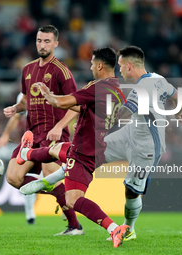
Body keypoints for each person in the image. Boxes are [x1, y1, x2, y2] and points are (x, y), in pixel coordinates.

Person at [19, 46, 182, 244]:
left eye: (121, 66)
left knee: (131, 191)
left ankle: (128, 229)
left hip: (147, 147)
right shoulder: (157, 79)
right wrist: (180, 111)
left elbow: (123, 113)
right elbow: (175, 94)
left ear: (129, 66)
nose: (119, 70)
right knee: (85, 151)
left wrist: (52, 98)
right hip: (129, 134)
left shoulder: (138, 89)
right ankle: (48, 175)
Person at [19, 47, 131, 248]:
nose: (90, 67)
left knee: (72, 200)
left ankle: (114, 228)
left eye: (91, 64)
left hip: (83, 152)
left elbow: (62, 103)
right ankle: (27, 153)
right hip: (97, 150)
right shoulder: (118, 90)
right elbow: (83, 107)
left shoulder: (98, 87)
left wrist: (47, 94)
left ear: (99, 65)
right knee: (57, 149)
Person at [2, 25, 81, 235]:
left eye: (47, 41)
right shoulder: (27, 69)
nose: (42, 45)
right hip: (31, 134)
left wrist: (59, 126)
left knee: (48, 173)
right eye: (39, 40)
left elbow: (77, 106)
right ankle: (62, 197)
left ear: (55, 43)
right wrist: (16, 108)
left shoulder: (61, 71)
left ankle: (74, 226)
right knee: (13, 177)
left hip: (53, 134)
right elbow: (27, 100)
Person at [0, 92, 37, 225]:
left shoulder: (53, 88)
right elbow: (16, 117)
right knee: (29, 175)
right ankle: (29, 212)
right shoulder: (23, 95)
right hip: (32, 140)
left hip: (51, 139)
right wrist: (6, 134)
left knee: (52, 174)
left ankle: (66, 207)